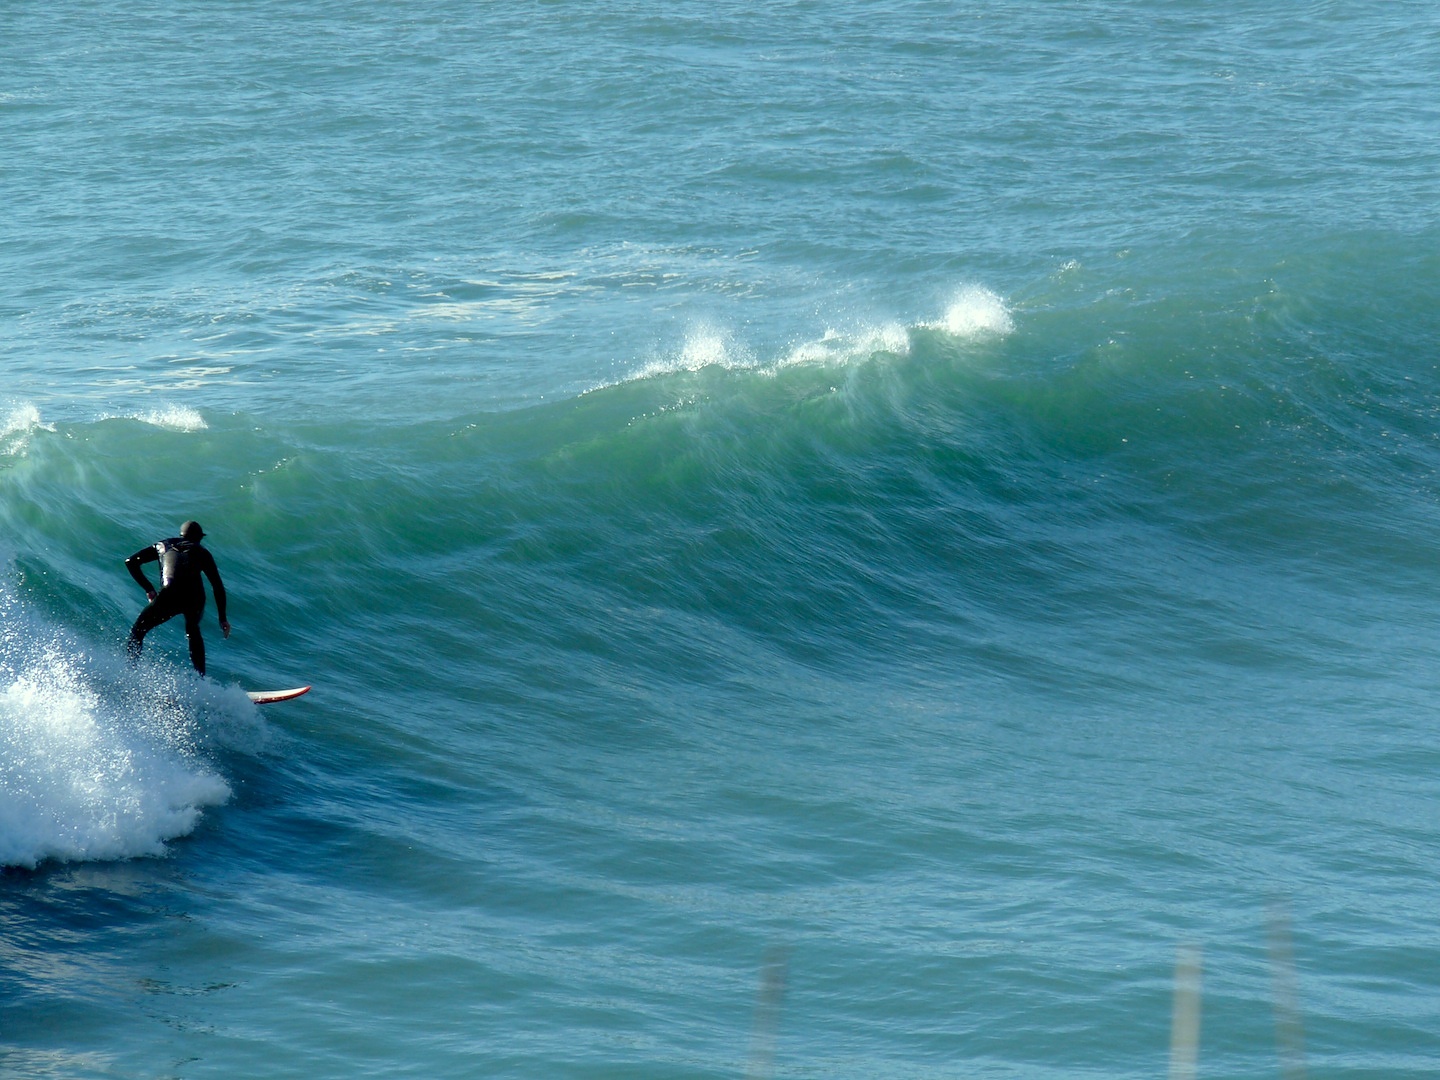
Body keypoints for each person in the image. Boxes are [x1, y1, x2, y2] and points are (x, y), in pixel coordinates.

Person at [125, 520, 230, 676]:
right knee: (193, 631)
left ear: (181, 535)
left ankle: (130, 671)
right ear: (199, 538)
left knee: (138, 631)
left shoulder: (163, 545)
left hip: (169, 593)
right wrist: (223, 619)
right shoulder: (202, 552)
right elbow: (217, 586)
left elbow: (130, 562)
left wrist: (149, 589)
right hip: (194, 597)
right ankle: (201, 680)